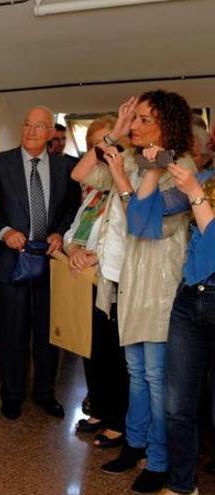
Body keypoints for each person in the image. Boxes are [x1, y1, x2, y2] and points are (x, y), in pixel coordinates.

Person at [73, 90, 195, 494]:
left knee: (157, 380)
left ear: (169, 125)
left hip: (160, 286)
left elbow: (149, 225)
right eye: (135, 119)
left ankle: (159, 461)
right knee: (138, 375)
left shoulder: (182, 167)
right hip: (129, 282)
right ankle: (136, 443)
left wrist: (131, 175)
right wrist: (118, 133)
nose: (137, 126)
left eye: (145, 120)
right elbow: (82, 174)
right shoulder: (132, 157)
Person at [126, 131, 214, 495]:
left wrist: (195, 193)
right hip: (189, 298)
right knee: (178, 405)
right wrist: (150, 169)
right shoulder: (207, 179)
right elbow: (141, 222)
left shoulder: (200, 184)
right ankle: (181, 486)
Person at [0, 106, 80, 421]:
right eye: (26, 124)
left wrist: (59, 233)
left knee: (48, 335)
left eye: (39, 126)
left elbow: (71, 209)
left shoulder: (66, 167)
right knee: (12, 333)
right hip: (10, 263)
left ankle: (44, 393)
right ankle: (11, 396)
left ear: (51, 132)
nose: (30, 131)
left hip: (49, 262)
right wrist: (4, 230)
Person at [62, 116, 129, 450]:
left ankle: (119, 420)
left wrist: (95, 257)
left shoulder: (126, 184)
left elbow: (128, 239)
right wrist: (73, 248)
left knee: (112, 352)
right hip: (83, 279)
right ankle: (100, 409)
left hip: (112, 281)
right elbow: (73, 232)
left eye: (108, 143)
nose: (102, 151)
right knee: (91, 350)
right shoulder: (92, 193)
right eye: (96, 145)